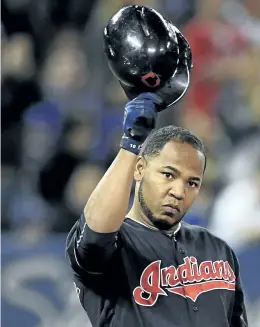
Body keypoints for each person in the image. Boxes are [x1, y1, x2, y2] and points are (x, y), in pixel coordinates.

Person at [65, 92, 248, 327]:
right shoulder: (115, 246)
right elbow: (96, 229)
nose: (179, 191)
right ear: (139, 169)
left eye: (192, 183)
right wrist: (131, 144)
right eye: (168, 175)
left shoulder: (219, 250)